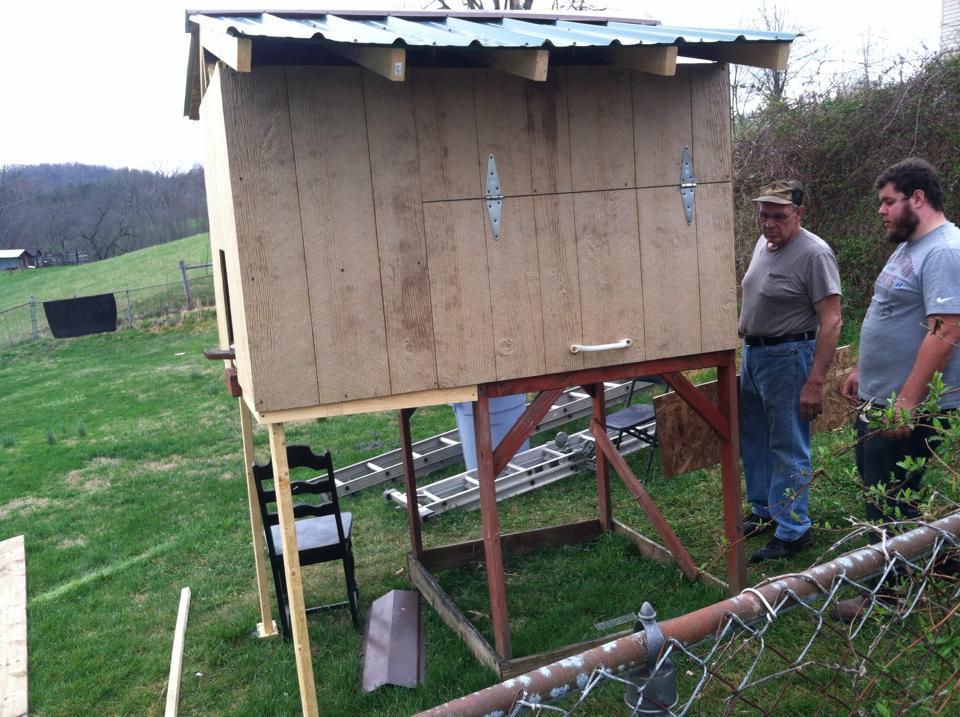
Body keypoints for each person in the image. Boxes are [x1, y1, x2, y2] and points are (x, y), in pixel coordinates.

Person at [834, 158, 960, 619]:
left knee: (888, 497)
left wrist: (907, 401)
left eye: (888, 202)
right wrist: (863, 368)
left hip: (911, 405)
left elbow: (947, 329)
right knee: (884, 491)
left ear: (917, 198)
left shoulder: (944, 250)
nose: (881, 210)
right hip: (881, 396)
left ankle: (888, 596)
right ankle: (937, 565)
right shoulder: (911, 246)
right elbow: (890, 309)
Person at [739, 180, 843, 562]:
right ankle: (765, 510)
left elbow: (831, 321)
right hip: (754, 355)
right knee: (755, 438)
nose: (769, 223)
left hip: (788, 357)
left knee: (787, 444)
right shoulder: (763, 243)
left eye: (779, 216)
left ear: (799, 213)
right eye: (763, 215)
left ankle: (793, 530)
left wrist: (815, 381)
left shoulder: (815, 254)